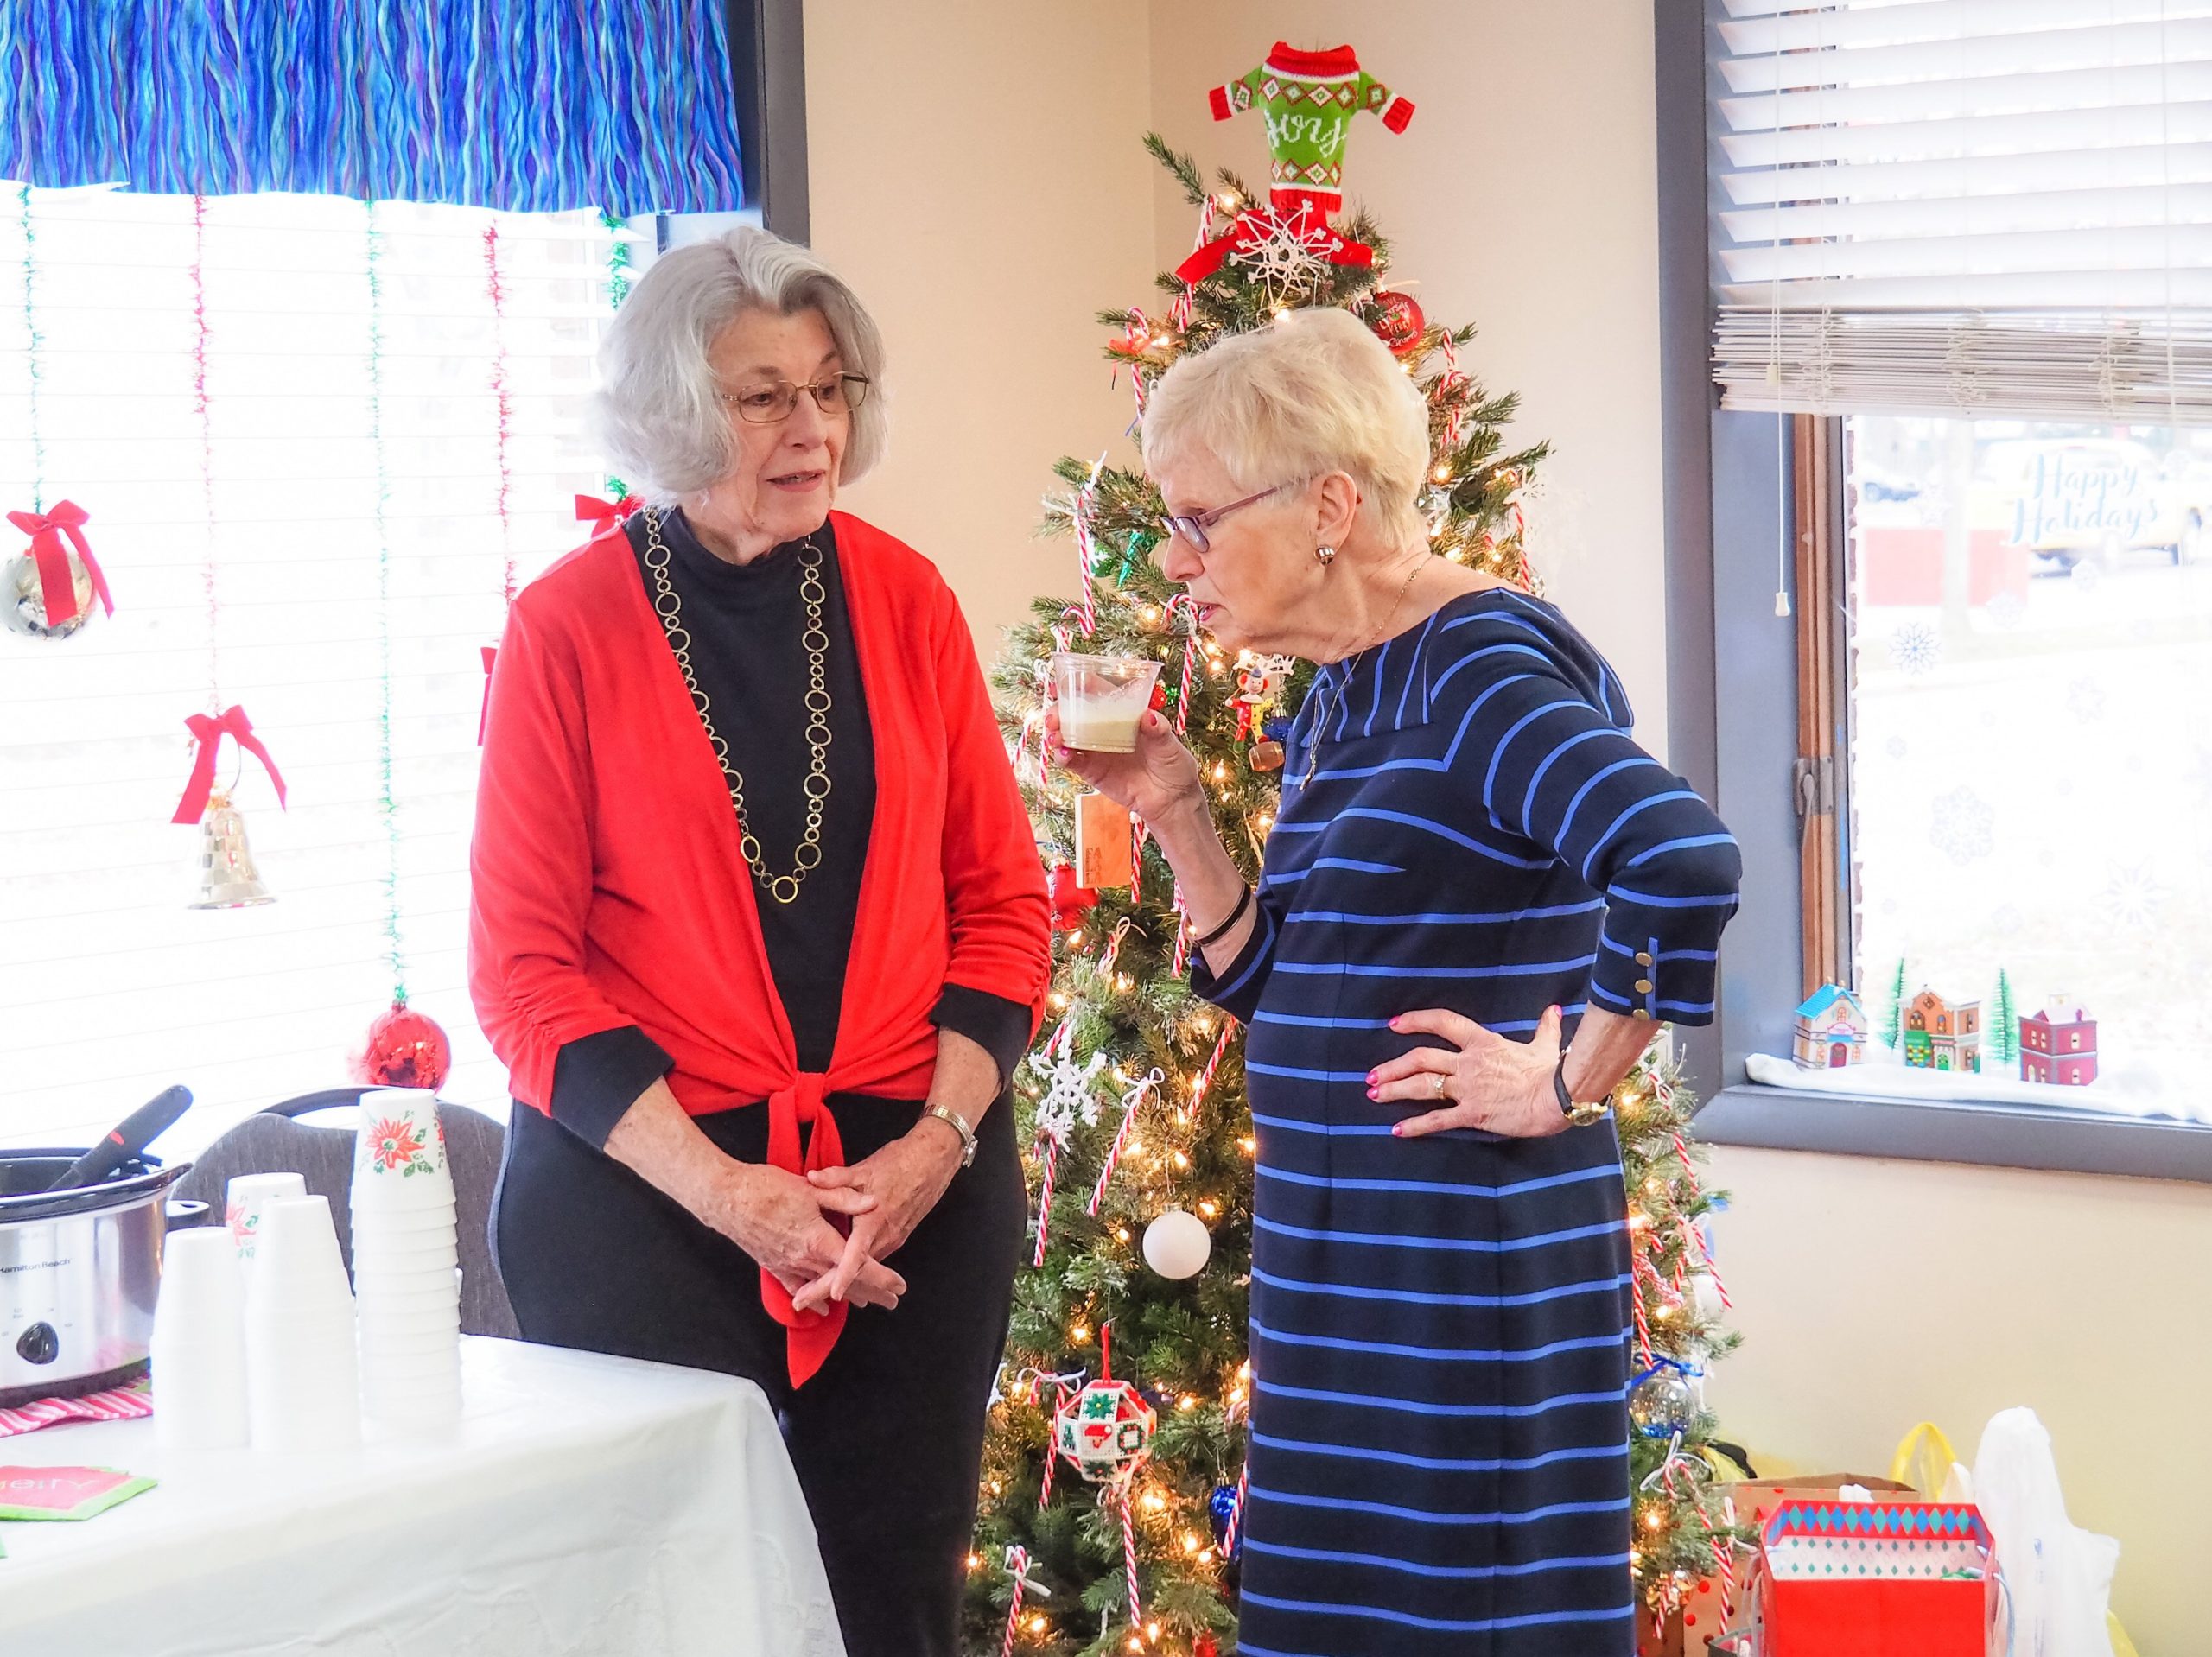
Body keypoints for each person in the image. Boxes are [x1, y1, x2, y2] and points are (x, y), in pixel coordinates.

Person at [1051, 308, 1741, 1657]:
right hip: (1339, 1290)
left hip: (1456, 1284)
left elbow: (1681, 856)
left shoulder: (1478, 669)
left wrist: (1562, 1079)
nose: (1175, 561)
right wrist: (1181, 817)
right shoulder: (1343, 691)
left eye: (1198, 519)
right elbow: (1290, 983)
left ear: (1330, 503)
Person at [468, 226, 1051, 1657]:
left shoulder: (907, 599)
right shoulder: (565, 627)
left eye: (830, 387)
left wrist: (931, 1150)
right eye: (763, 396)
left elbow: (1006, 904)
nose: (815, 429)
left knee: (891, 1606)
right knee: (673, 1615)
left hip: (908, 1191)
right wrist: (738, 1196)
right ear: (676, 414)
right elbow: (522, 969)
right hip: (648, 1204)